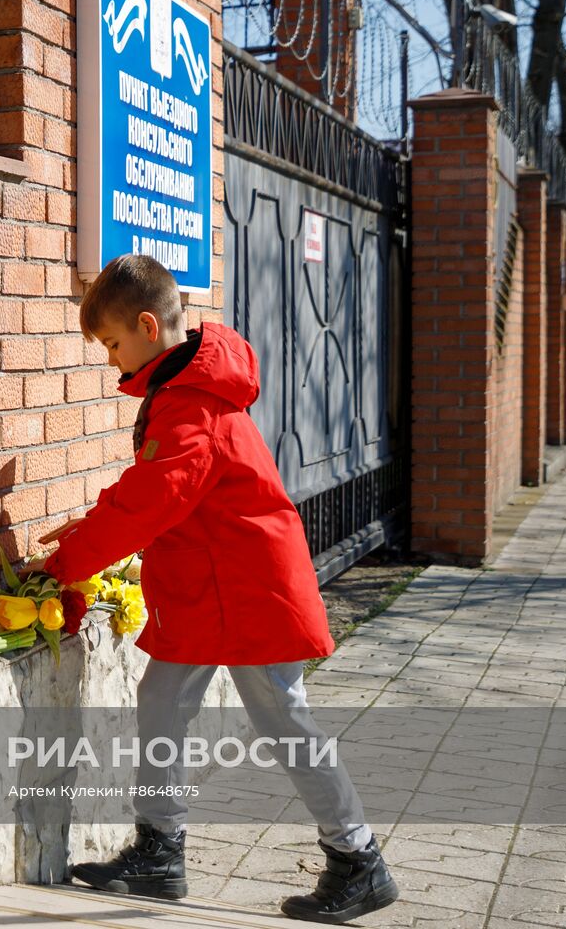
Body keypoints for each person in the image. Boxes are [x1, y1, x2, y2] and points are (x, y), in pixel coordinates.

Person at [37, 254, 398, 923]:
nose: (112, 360)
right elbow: (153, 485)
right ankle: (158, 851)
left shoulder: (190, 406)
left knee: (282, 718)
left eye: (113, 344)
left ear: (147, 326)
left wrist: (66, 566)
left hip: (247, 588)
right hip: (214, 585)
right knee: (164, 698)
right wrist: (87, 527)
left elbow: (153, 503)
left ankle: (358, 858)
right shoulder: (184, 390)